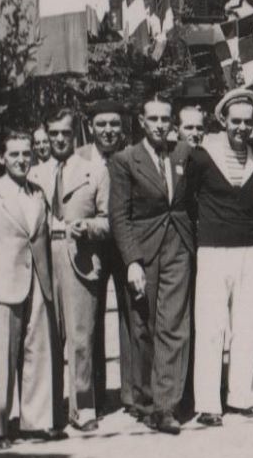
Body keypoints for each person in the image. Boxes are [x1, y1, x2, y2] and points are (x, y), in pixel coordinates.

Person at [0, 130, 66, 449]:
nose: (22, 159)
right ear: (1, 158)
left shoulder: (38, 193)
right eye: (15, 154)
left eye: (26, 153)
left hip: (37, 282)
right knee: (1, 357)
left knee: (39, 353)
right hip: (0, 285)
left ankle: (37, 421)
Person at [108, 96, 195, 436]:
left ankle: (166, 406)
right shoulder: (124, 160)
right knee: (143, 326)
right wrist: (132, 262)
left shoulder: (183, 153)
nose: (160, 124)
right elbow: (119, 215)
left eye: (165, 118)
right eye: (153, 119)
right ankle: (144, 400)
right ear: (141, 122)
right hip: (143, 251)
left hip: (178, 246)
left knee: (174, 324)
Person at [184, 88, 253, 425]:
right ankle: (208, 403)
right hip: (212, 248)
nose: (242, 127)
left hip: (248, 248)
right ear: (222, 120)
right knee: (210, 324)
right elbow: (188, 201)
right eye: (236, 121)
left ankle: (243, 396)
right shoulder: (202, 156)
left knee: (248, 324)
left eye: (248, 122)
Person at [28, 109, 112, 432]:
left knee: (81, 337)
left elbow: (109, 221)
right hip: (43, 258)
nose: (59, 139)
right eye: (53, 134)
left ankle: (84, 408)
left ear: (75, 134)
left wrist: (87, 227)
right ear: (46, 137)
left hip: (79, 256)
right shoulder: (36, 174)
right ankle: (51, 411)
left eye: (65, 133)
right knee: (48, 338)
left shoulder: (94, 172)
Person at [78, 100, 141, 417]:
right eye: (101, 124)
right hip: (90, 247)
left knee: (131, 315)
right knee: (91, 319)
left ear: (123, 127)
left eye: (114, 124)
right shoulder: (78, 160)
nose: (108, 130)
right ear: (91, 127)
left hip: (126, 245)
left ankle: (131, 393)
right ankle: (96, 393)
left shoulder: (133, 158)